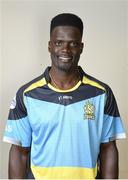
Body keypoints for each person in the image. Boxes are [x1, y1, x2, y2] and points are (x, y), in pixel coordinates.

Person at [3, 13, 126, 179]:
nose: (65, 50)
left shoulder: (102, 93)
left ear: (81, 47)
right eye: (59, 43)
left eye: (73, 44)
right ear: (49, 46)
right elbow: (19, 151)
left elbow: (108, 148)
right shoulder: (27, 94)